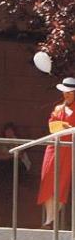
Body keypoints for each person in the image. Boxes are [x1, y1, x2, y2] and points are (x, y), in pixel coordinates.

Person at [37, 77, 75, 229]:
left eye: (70, 92)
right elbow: (52, 125)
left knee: (62, 182)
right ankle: (49, 218)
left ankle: (51, 219)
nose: (66, 95)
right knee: (47, 179)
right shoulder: (58, 108)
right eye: (65, 92)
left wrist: (67, 127)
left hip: (68, 147)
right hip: (54, 146)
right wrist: (63, 126)